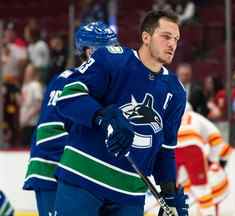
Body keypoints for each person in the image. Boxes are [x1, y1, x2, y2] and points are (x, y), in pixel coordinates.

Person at [54, 10, 188, 216]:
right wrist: (103, 116)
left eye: (176, 39)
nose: (172, 44)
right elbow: (68, 97)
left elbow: (165, 148)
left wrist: (169, 193)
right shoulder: (111, 59)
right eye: (166, 36)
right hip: (83, 179)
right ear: (146, 37)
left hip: (129, 194)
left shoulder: (175, 91)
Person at [23, 21, 119, 216]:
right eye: (107, 49)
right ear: (89, 52)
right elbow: (49, 136)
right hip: (52, 172)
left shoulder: (97, 82)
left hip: (74, 176)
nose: (114, 55)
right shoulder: (68, 81)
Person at [176, 103, 231, 216]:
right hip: (193, 149)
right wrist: (213, 160)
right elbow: (216, 138)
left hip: (173, 149)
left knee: (176, 191)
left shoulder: (171, 117)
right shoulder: (196, 117)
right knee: (202, 190)